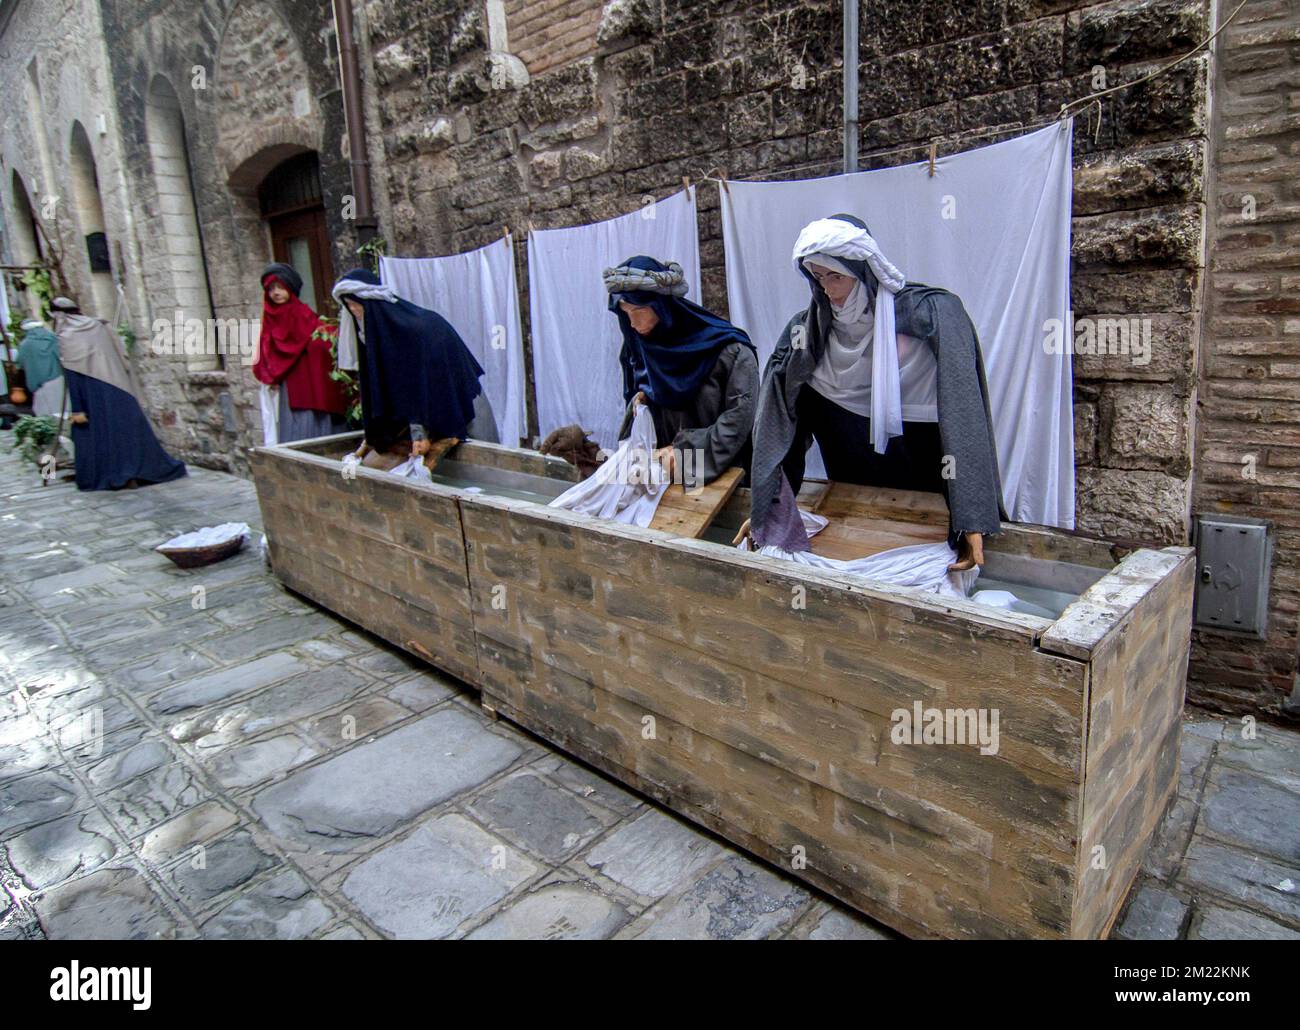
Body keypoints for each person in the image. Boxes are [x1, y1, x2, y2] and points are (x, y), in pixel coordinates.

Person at [749, 214, 1004, 570]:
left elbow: (964, 413)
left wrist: (970, 520)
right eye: (818, 277)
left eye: (836, 276)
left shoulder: (933, 315)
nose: (827, 288)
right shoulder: (807, 333)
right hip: (852, 498)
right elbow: (779, 420)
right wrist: (770, 508)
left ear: (863, 272)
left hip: (927, 494)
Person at [605, 255, 757, 487]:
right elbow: (642, 396)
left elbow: (739, 419)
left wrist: (687, 452)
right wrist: (643, 400)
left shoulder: (730, 351)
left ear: (661, 307)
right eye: (626, 313)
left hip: (721, 478)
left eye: (637, 311)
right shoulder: (639, 347)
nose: (632, 323)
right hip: (663, 480)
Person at [331, 268, 496, 467]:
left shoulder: (412, 330)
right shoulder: (382, 335)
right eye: (349, 307)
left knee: (484, 464)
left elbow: (418, 384)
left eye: (355, 305)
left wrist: (419, 433)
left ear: (370, 304)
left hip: (461, 401)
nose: (354, 312)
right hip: (430, 414)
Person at [50, 296, 186, 491]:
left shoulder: (67, 336)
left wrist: (78, 408)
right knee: (124, 429)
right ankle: (134, 470)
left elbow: (74, 374)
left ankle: (113, 473)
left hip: (91, 393)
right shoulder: (100, 326)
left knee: (95, 433)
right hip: (117, 387)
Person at [252, 262, 349, 444]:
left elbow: (320, 345)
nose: (276, 292)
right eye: (271, 289)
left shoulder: (304, 315)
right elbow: (267, 350)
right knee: (294, 430)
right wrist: (271, 375)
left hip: (311, 382)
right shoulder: (270, 318)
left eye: (280, 287)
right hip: (289, 387)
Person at [17, 317, 64, 416]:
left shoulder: (25, 345)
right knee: (62, 407)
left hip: (38, 383)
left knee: (45, 410)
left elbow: (20, 363)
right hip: (58, 377)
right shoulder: (52, 338)